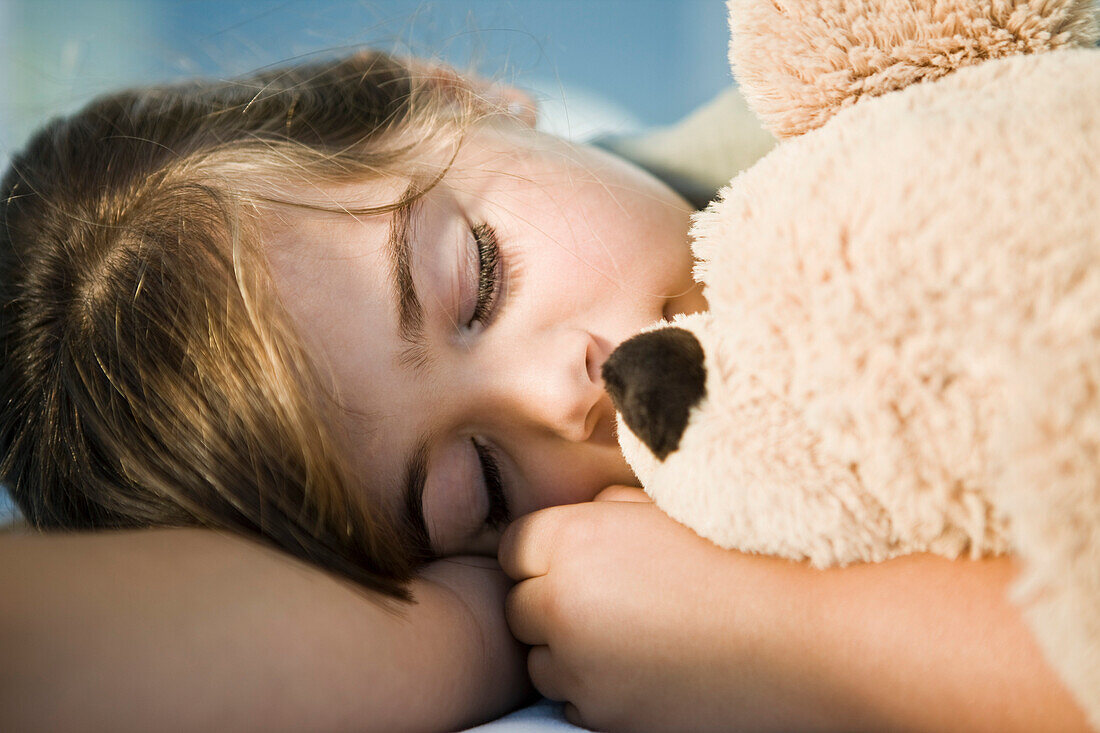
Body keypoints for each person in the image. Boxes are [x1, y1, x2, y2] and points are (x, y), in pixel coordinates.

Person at [0, 51, 1090, 733]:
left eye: (478, 278)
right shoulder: (653, 535)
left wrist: (807, 641)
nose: (563, 394)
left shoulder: (916, 87)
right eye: (477, 485)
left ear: (457, 93)